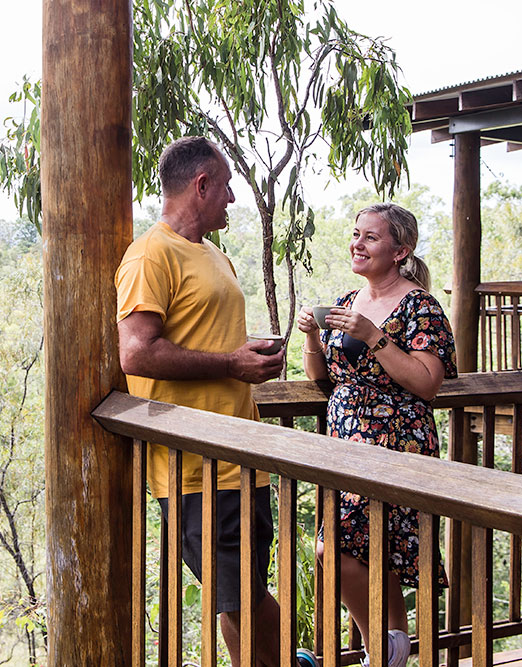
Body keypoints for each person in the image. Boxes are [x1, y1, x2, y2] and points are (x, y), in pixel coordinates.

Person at [116, 136, 316, 667]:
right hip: (194, 466)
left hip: (242, 455)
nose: (231, 198)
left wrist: (244, 354)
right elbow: (137, 354)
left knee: (240, 597)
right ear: (201, 184)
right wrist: (232, 364)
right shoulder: (149, 256)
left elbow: (206, 337)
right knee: (241, 598)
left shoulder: (215, 257)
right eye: (226, 186)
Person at [295, 203, 456, 667]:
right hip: (347, 440)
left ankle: (376, 650)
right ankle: (394, 651)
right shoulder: (348, 301)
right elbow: (323, 376)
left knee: (335, 547)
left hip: (396, 441)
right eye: (355, 234)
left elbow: (428, 382)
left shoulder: (420, 305)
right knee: (372, 555)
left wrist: (373, 336)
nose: (357, 243)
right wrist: (311, 335)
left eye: (370, 237)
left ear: (400, 250)